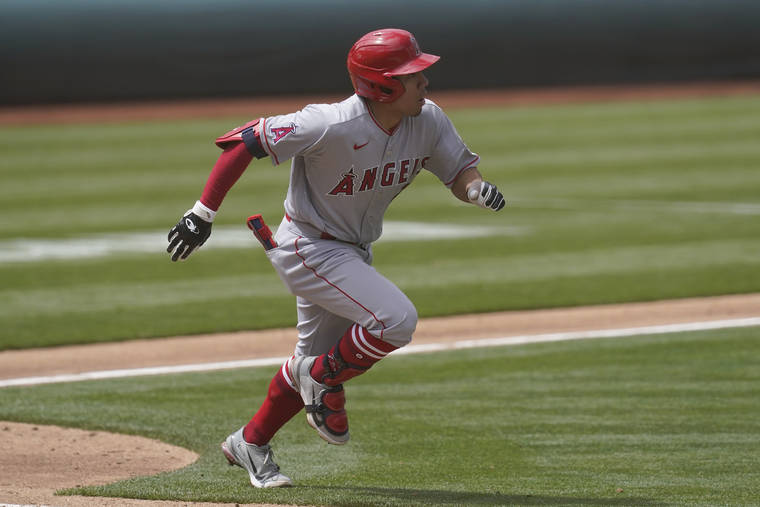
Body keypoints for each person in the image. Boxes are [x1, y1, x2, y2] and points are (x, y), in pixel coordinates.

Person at [167, 28, 506, 488]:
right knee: (395, 320)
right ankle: (319, 377)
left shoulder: (428, 120)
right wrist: (200, 215)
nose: (425, 82)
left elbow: (458, 171)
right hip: (308, 246)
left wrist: (475, 189)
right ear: (383, 87)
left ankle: (251, 441)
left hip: (352, 250)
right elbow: (244, 141)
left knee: (309, 357)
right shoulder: (327, 123)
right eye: (414, 75)